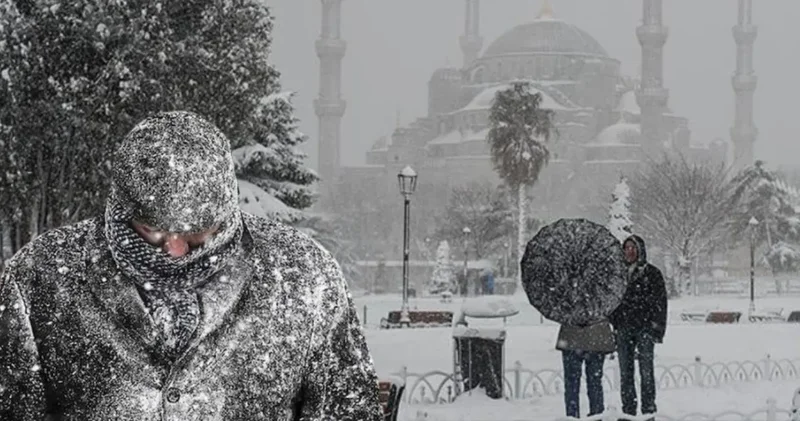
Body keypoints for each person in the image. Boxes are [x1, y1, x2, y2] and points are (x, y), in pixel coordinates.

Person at [0, 111, 384, 420]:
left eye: (198, 232)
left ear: (227, 209)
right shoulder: (40, 278)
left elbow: (348, 409)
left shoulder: (304, 277)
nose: (177, 250)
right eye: (152, 230)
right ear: (121, 210)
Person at [610, 234, 668, 419]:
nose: (629, 251)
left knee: (646, 372)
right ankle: (628, 411)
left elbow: (660, 303)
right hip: (624, 328)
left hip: (645, 329)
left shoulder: (652, 273)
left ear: (640, 250)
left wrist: (656, 329)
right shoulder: (617, 275)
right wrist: (615, 322)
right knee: (625, 373)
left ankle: (648, 410)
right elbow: (611, 301)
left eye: (633, 248)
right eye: (626, 248)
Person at [555, 318, 615, 418]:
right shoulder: (601, 306)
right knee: (595, 382)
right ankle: (596, 415)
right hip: (597, 337)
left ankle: (572, 415)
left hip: (571, 337)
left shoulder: (568, 305)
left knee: (571, 382)